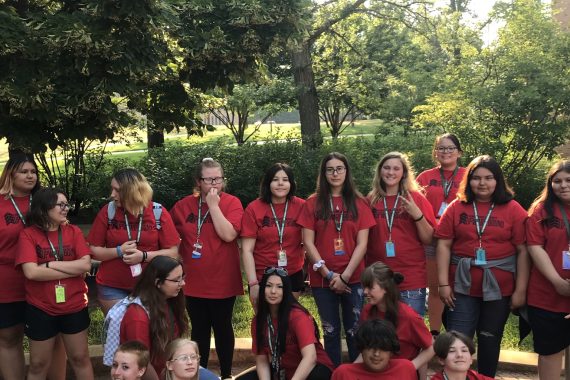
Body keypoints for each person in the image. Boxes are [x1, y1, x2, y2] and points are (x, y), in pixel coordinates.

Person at [435, 155, 529, 377]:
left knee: (490, 337)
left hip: (500, 288)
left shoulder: (513, 209)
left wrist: (521, 290)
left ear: (498, 181)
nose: (482, 183)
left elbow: (523, 251)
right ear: (469, 181)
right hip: (461, 286)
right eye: (476, 178)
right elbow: (443, 245)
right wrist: (442, 283)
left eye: (489, 178)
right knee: (457, 339)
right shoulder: (457, 207)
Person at [298, 152, 376, 366]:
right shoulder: (313, 203)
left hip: (354, 278)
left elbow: (363, 244)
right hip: (323, 279)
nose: (335, 173)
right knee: (330, 331)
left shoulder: (359, 203)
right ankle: (333, 373)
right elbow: (308, 241)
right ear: (323, 173)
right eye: (330, 169)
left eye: (339, 168)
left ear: (346, 171)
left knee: (354, 330)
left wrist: (346, 276)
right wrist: (328, 273)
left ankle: (355, 373)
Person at [170, 158, 244, 380]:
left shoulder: (232, 203)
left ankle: (227, 374)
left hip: (223, 279)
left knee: (223, 327)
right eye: (209, 179)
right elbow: (170, 238)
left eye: (218, 179)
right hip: (192, 281)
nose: (214, 184)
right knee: (199, 329)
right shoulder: (183, 206)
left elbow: (229, 234)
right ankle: (197, 375)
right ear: (198, 181)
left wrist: (213, 205)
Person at [16, 188, 94, 379]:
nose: (66, 208)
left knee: (80, 358)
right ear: (44, 208)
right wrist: (71, 268)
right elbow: (31, 272)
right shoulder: (28, 235)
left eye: (66, 204)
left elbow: (85, 264)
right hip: (40, 308)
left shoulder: (73, 231)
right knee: (38, 364)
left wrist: (50, 264)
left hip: (74, 306)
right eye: (61, 204)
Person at [88, 168, 180, 315]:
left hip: (150, 285)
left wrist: (143, 256)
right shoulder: (108, 211)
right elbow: (93, 251)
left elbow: (173, 254)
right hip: (112, 286)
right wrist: (119, 251)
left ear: (132, 191)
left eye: (117, 190)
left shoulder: (157, 211)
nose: (112, 195)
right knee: (118, 333)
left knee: (148, 333)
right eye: (112, 189)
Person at [367, 152, 436, 316]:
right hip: (378, 278)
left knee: (410, 332)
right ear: (380, 171)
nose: (391, 172)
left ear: (404, 173)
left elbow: (428, 239)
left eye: (396, 168)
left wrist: (416, 214)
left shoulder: (415, 199)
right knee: (382, 333)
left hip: (410, 277)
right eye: (387, 168)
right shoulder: (371, 200)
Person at [237, 267, 334, 380]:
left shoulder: (298, 316)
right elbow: (262, 361)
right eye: (268, 286)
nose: (273, 291)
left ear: (286, 291)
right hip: (282, 370)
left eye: (279, 287)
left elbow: (310, 358)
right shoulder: (258, 321)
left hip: (310, 369)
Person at [416, 133, 466, 335]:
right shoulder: (425, 177)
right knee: (436, 287)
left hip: (459, 240)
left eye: (450, 148)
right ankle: (435, 333)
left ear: (459, 152)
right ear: (435, 152)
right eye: (441, 148)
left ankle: (458, 332)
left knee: (458, 286)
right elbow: (416, 207)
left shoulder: (468, 175)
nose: (445, 152)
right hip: (431, 239)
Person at [526, 160, 570, 379]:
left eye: (568, 180)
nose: (563, 185)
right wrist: (558, 283)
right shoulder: (541, 210)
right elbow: (535, 247)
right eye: (557, 181)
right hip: (546, 296)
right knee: (550, 353)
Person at [242, 163, 306, 308]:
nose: (280, 183)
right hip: (263, 275)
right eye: (275, 179)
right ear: (268, 183)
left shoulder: (302, 206)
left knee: (289, 320)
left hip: (292, 273)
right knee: (264, 324)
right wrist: (253, 284)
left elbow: (310, 239)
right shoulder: (254, 209)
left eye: (285, 179)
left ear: (291, 183)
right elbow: (246, 250)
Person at [119, 256, 188, 380]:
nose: (183, 283)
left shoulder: (169, 301)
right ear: (158, 283)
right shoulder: (137, 316)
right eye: (177, 280)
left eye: (182, 277)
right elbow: (141, 363)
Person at [359, 262, 434, 372]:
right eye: (364, 287)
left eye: (370, 287)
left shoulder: (408, 316)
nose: (365, 292)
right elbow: (364, 350)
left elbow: (431, 347)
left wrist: (409, 367)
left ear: (385, 288)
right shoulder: (367, 311)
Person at [331, 319, 417, 380]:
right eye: (370, 347)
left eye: (383, 348)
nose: (376, 354)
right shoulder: (343, 373)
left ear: (391, 351)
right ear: (361, 349)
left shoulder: (405, 369)